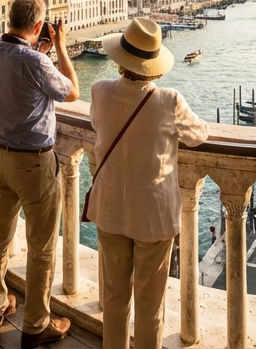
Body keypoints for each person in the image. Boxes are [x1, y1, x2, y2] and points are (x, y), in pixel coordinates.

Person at [89, 18, 208, 349]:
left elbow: (98, 125)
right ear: (154, 64)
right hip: (153, 216)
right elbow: (199, 134)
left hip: (110, 208)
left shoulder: (100, 91)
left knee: (113, 300)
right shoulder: (168, 100)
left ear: (120, 59)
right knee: (150, 306)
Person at [0, 0, 79, 345]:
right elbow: (71, 92)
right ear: (38, 26)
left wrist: (41, 53)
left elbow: (17, 79)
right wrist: (61, 49)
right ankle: (36, 324)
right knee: (41, 246)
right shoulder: (37, 62)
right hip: (33, 163)